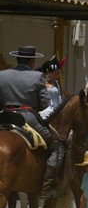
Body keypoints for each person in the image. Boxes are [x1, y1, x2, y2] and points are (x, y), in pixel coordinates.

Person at [0, 44, 66, 196]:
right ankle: (48, 186)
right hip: (27, 118)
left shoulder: (2, 74)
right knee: (57, 146)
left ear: (18, 59)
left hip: (3, 116)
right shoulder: (37, 77)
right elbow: (44, 105)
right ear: (31, 62)